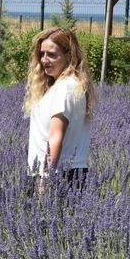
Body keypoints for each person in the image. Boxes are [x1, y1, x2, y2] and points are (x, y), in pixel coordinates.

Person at [23, 27, 95, 193]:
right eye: (42, 54)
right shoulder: (67, 85)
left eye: (52, 55)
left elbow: (56, 136)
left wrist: (46, 180)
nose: (44, 60)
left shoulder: (65, 88)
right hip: (63, 172)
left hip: (58, 175)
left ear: (68, 56)